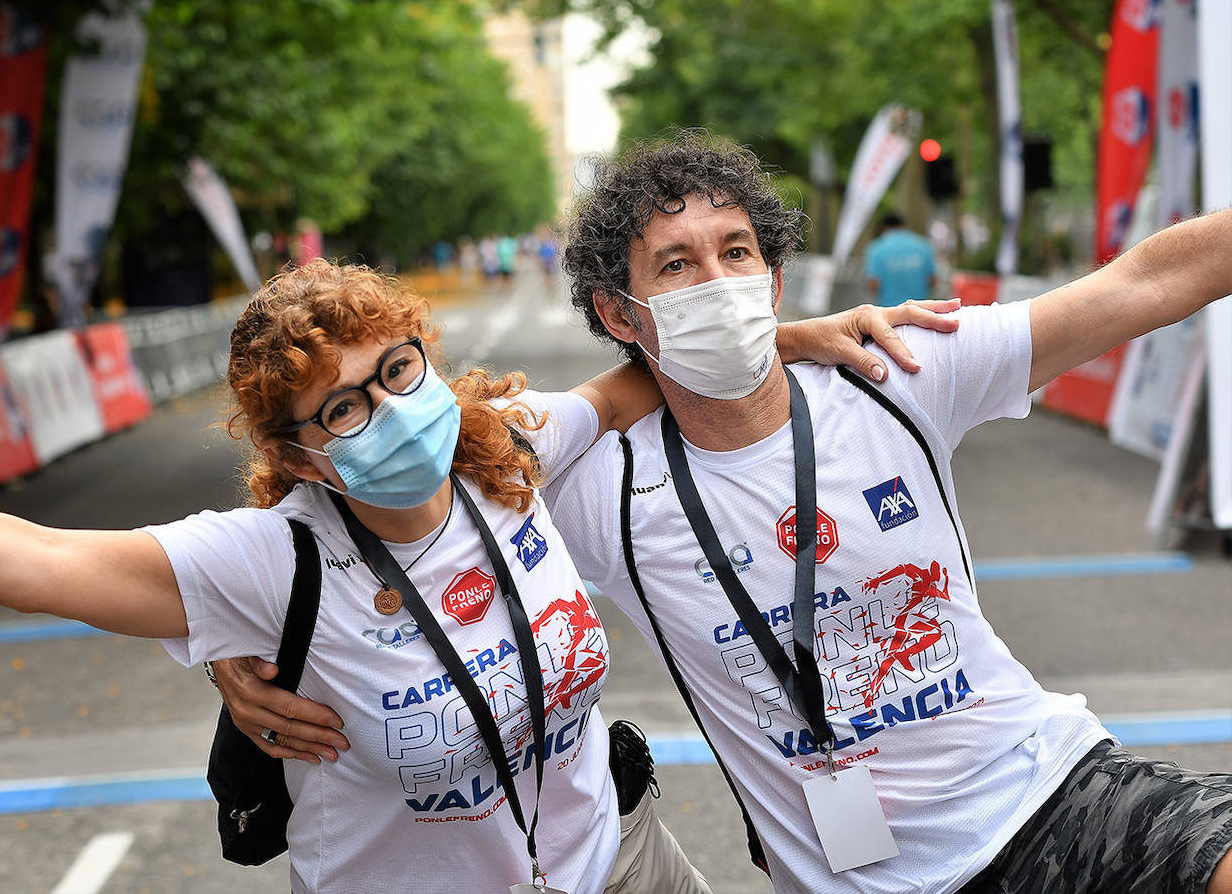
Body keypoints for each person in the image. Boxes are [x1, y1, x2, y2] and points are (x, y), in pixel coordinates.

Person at [230, 134, 1232, 894]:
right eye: (676, 266)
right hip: (848, 874)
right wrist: (230, 649)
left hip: (1052, 799)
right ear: (621, 317)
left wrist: (791, 340)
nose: (719, 283)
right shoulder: (593, 483)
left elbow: (1147, 281)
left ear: (776, 272)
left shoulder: (897, 371)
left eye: (738, 251)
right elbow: (351, 490)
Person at [0, 257, 947, 893]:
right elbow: (26, 556)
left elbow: (626, 392)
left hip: (618, 861)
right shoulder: (269, 558)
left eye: (396, 370)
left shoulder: (502, 451)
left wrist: (782, 336)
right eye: (343, 407)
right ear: (296, 453)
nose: (390, 411)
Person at [864, 212, 937, 306]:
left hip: (890, 312)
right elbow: (933, 280)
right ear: (904, 225)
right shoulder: (923, 245)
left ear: (883, 227)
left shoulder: (876, 248)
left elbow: (873, 283)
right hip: (920, 310)